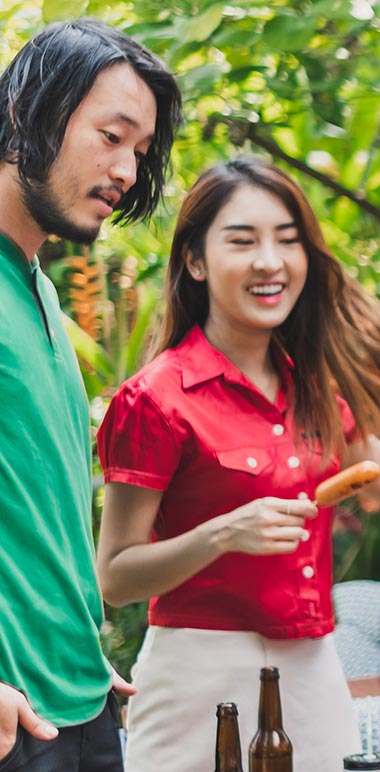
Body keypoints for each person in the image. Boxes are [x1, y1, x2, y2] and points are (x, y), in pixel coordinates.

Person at [93, 156, 380, 771]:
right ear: (195, 261)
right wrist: (223, 534)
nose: (270, 261)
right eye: (243, 240)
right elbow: (115, 577)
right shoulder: (154, 399)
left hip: (312, 670)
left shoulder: (313, 392)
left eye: (288, 240)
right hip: (198, 678)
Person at [0, 19, 181, 772]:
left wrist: (73, 650)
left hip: (77, 698)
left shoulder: (39, 291)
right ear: (25, 115)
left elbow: (37, 508)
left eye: (140, 152)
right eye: (111, 135)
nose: (128, 171)